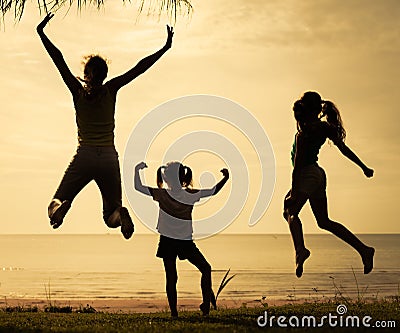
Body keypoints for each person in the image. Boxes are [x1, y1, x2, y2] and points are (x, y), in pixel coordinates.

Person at [37, 12, 173, 239]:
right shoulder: (111, 89)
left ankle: (62, 208)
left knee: (55, 204)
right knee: (110, 216)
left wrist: (41, 33)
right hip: (109, 158)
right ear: (104, 75)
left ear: (86, 75)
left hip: (85, 155)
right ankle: (121, 213)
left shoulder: (78, 92)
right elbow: (139, 68)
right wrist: (164, 48)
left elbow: (58, 60)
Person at [283, 91, 375, 278]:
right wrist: (363, 167)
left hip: (306, 174)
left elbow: (298, 165)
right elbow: (344, 149)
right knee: (324, 221)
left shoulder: (303, 134)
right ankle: (364, 250)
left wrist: (294, 191)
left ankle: (300, 250)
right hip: (318, 175)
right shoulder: (324, 128)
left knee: (290, 210)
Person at [134, 161, 229, 317]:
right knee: (205, 268)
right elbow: (214, 191)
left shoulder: (162, 194)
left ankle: (175, 313)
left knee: (172, 276)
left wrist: (137, 170)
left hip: (169, 241)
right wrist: (226, 178)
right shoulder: (189, 194)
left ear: (167, 179)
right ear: (183, 176)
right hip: (184, 241)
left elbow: (138, 187)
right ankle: (205, 306)